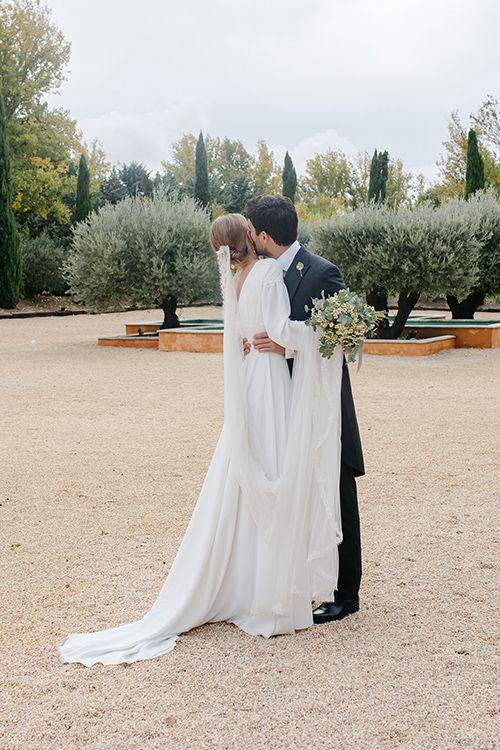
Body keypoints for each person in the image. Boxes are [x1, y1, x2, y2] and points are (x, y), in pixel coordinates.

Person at [59, 213, 343, 667]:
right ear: (250, 237)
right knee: (275, 469)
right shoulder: (268, 273)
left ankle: (242, 580)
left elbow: (244, 336)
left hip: (250, 380)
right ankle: (267, 590)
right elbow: (282, 330)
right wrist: (320, 333)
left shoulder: (236, 281)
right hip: (270, 383)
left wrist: (267, 339)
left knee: (247, 470)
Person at [246, 194, 364, 622]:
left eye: (250, 230)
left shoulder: (320, 272)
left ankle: (346, 593)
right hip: (283, 404)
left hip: (322, 408)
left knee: (336, 490)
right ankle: (305, 581)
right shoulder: (263, 273)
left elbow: (346, 339)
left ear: (263, 235)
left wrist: (289, 346)